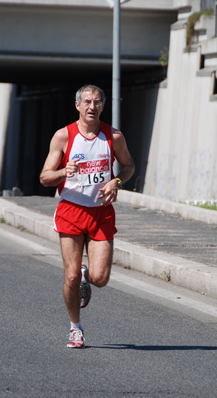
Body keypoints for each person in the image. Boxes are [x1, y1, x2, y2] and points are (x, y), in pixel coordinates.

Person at [40, 84, 135, 349]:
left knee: (100, 278)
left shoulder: (113, 137)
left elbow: (128, 166)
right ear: (77, 105)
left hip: (101, 212)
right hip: (71, 210)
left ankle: (86, 274)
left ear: (103, 106)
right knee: (70, 276)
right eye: (87, 102)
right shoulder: (64, 136)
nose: (91, 106)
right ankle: (75, 328)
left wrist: (116, 180)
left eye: (97, 102)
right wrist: (62, 172)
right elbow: (44, 177)